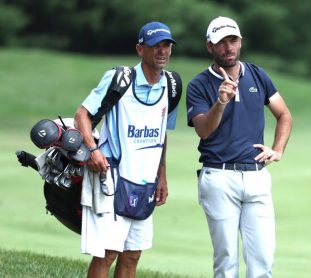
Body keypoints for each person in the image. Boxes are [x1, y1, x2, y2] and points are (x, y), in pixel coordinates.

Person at [186, 16, 293, 277]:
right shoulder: (199, 84)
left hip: (256, 176)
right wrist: (221, 101)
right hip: (219, 176)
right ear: (210, 46)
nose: (228, 47)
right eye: (221, 42)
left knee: (263, 260)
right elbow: (203, 130)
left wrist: (277, 150)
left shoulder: (257, 74)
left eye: (233, 40)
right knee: (226, 261)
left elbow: (285, 115)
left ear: (240, 41)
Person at [74, 21, 179, 278]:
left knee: (132, 254)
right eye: (155, 46)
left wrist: (161, 175)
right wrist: (93, 151)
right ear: (140, 49)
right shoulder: (119, 78)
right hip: (112, 177)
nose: (162, 51)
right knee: (108, 253)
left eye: (166, 45)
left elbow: (161, 132)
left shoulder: (173, 84)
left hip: (145, 182)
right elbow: (82, 115)